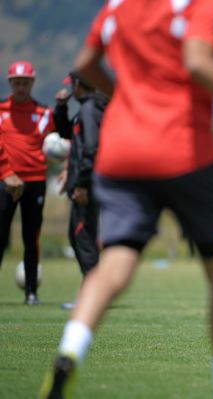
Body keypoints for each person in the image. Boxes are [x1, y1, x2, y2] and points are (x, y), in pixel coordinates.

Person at [39, 1, 213, 398]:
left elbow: (85, 65)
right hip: (183, 150)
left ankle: (70, 351)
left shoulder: (117, 6)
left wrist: (124, 94)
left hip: (121, 153)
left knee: (115, 262)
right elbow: (196, 60)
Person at [0, 60, 57, 305]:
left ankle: (31, 293)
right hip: (6, 182)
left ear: (32, 83)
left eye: (25, 83)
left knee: (31, 237)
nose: (21, 87)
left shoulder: (44, 114)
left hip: (35, 181)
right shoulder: (1, 111)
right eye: (16, 83)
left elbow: (53, 145)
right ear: (10, 83)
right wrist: (6, 173)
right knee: (0, 236)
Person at [53, 71, 107, 310]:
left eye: (72, 85)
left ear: (78, 85)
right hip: (84, 183)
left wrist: (83, 184)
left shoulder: (90, 110)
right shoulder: (86, 109)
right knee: (78, 238)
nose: (70, 89)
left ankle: (92, 297)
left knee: (83, 239)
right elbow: (69, 135)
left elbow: (91, 150)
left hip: (88, 185)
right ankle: (92, 293)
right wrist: (61, 109)